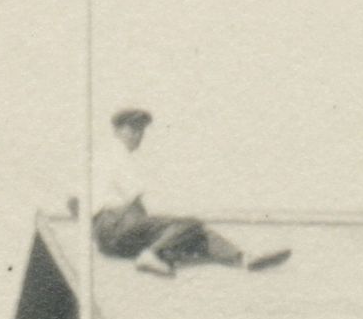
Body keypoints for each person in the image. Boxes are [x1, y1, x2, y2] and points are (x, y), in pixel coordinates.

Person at [91, 108, 288, 277]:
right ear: (116, 131)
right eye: (132, 129)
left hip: (113, 236)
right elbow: (136, 197)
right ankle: (152, 255)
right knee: (189, 224)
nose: (138, 135)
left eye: (141, 130)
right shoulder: (115, 152)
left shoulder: (101, 156)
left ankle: (244, 258)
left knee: (196, 234)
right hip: (116, 224)